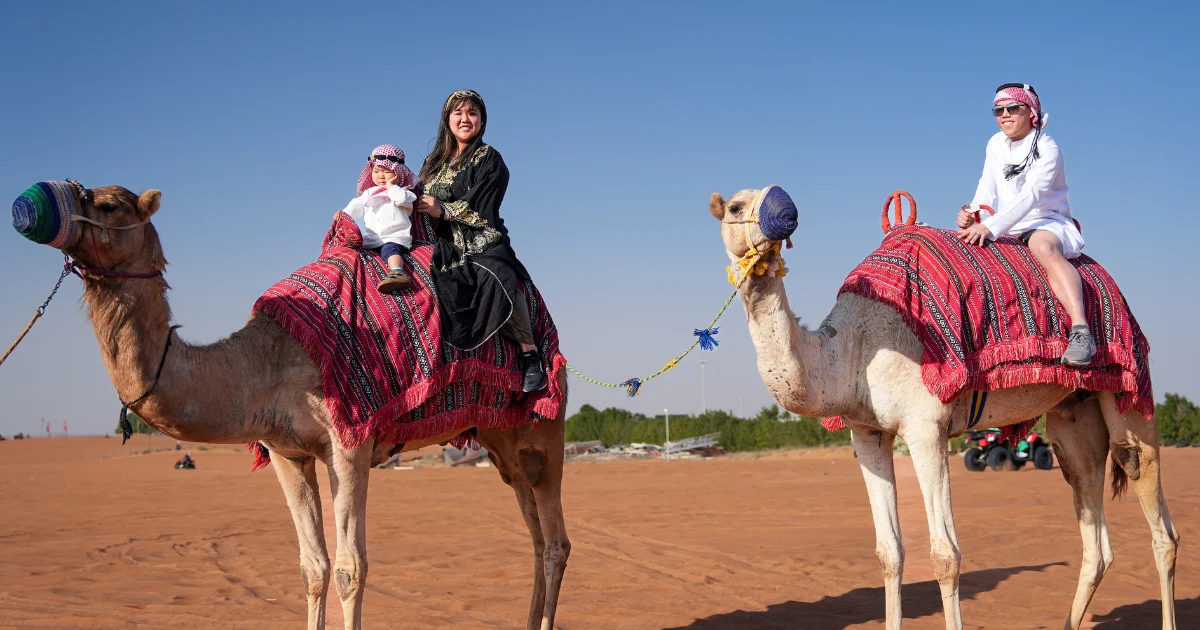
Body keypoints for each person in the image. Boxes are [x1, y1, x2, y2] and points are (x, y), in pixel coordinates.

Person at [413, 90, 548, 392]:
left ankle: (529, 354)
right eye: (458, 113)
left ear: (482, 121)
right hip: (443, 243)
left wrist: (443, 210)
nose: (465, 119)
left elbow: (484, 204)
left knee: (498, 278)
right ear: (447, 119)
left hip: (482, 240)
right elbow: (413, 194)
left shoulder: (490, 159)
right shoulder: (432, 162)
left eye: (472, 113)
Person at [956, 83, 1094, 366]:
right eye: (998, 110)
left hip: (1044, 220)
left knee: (1043, 247)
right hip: (1004, 224)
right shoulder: (995, 143)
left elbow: (1032, 196)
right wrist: (972, 212)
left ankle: (1081, 331)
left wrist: (991, 227)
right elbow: (986, 188)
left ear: (1030, 112)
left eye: (1012, 108)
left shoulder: (1047, 148)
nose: (1004, 115)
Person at [341, 144, 418, 293]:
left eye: (386, 171)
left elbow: (401, 199)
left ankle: (397, 272)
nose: (381, 176)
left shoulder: (403, 192)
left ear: (397, 173)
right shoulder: (369, 193)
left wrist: (391, 186)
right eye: (376, 171)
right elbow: (356, 206)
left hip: (394, 236)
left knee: (390, 249)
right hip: (372, 238)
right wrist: (344, 215)